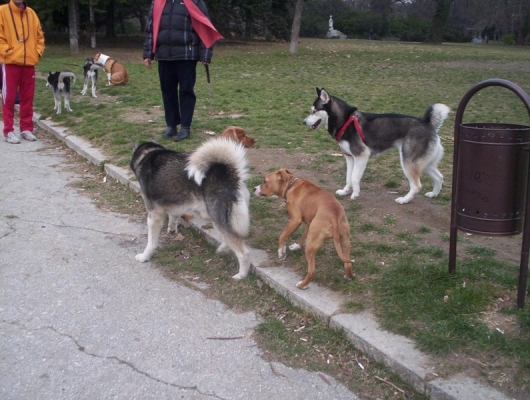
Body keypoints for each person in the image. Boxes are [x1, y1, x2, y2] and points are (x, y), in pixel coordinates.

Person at [143, 0, 218, 142]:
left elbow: (205, 27)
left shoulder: (195, 2)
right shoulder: (157, 2)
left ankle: (185, 126)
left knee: (186, 91)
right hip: (164, 55)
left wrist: (206, 54)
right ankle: (171, 125)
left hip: (187, 56)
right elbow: (150, 29)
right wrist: (148, 53)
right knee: (168, 92)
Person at [0, 0, 45, 144]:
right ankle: (8, 130)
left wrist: (37, 52)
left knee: (27, 97)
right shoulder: (2, 11)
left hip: (29, 63)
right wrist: (8, 51)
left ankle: (26, 128)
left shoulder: (31, 13)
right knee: (8, 98)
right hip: (10, 63)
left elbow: (39, 36)